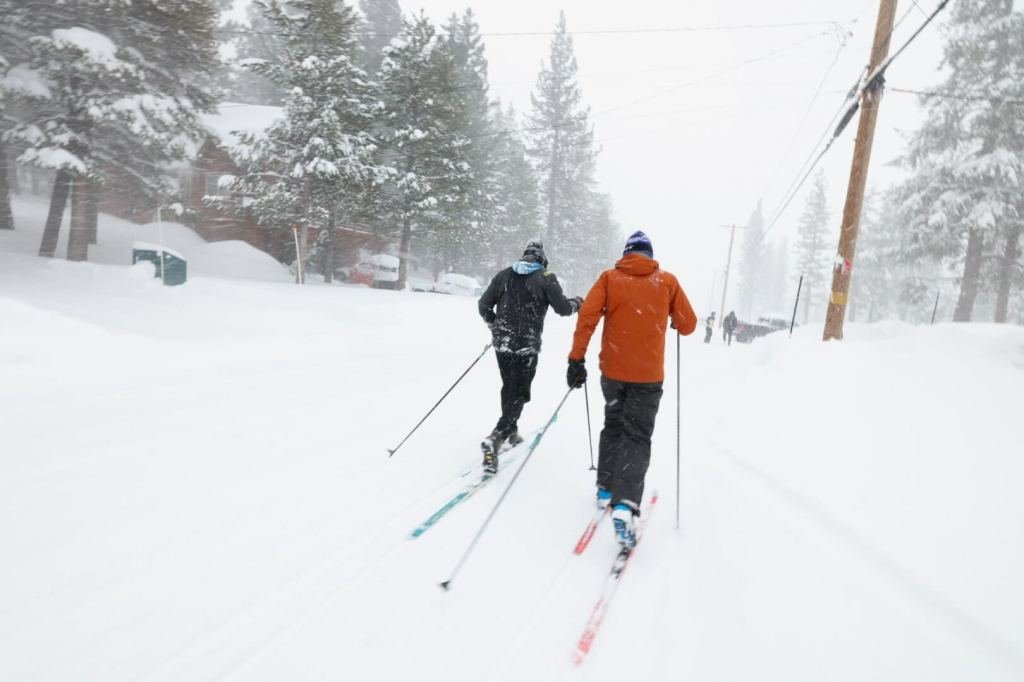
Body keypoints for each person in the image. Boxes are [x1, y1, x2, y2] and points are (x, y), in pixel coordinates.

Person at [566, 230, 697, 549]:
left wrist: (576, 358)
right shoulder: (666, 282)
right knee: (637, 436)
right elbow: (689, 324)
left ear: (626, 254)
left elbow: (587, 317)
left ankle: (606, 490)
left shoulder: (610, 279)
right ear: (650, 256)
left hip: (612, 372)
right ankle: (624, 504)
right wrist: (673, 319)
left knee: (613, 426)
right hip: (648, 378)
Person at [478, 240, 582, 474]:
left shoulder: (504, 275)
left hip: (502, 345)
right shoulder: (546, 277)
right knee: (520, 391)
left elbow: (484, 304)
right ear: (542, 259)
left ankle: (511, 429)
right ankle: (497, 436)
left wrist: (495, 326)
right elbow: (563, 309)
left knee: (509, 386)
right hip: (527, 345)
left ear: (524, 256)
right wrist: (578, 303)